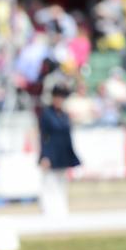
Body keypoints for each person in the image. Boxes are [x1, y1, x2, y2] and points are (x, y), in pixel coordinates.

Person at [38, 85, 80, 217]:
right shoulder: (46, 114)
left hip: (63, 153)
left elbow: (68, 136)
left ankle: (61, 211)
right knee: (49, 183)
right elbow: (43, 137)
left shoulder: (64, 115)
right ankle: (48, 212)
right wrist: (44, 156)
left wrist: (72, 156)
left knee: (62, 183)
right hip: (51, 153)